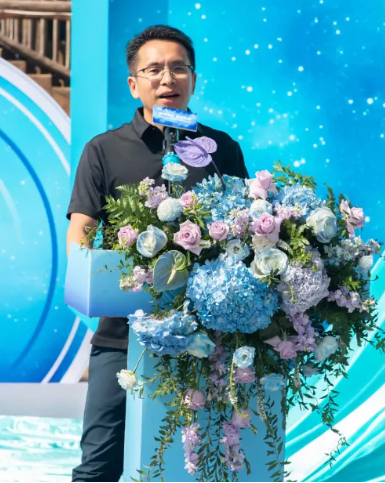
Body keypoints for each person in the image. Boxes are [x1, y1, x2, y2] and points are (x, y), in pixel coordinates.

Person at [67, 25, 250, 482]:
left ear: (193, 79)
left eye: (178, 68)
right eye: (154, 70)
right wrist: (94, 280)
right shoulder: (104, 150)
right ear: (135, 83)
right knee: (98, 464)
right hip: (123, 335)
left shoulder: (221, 149)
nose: (168, 78)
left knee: (200, 461)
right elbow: (81, 233)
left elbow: (244, 231)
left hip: (208, 339)